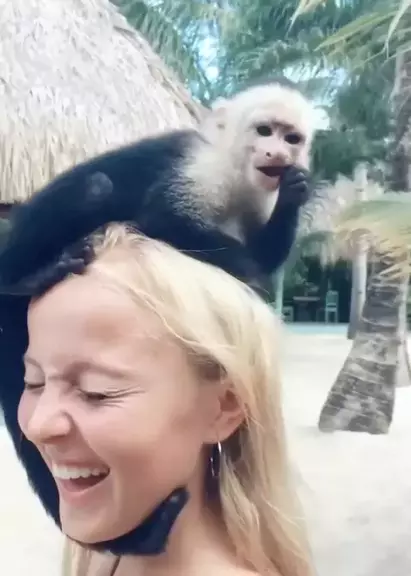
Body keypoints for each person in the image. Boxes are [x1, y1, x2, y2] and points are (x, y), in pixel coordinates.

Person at [11, 223, 314, 576]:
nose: (38, 425)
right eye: (34, 382)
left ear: (223, 408)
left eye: (96, 392)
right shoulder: (107, 554)